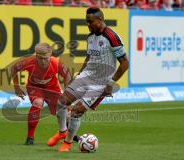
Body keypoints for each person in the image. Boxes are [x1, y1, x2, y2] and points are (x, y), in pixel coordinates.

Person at [46, 7, 129, 152]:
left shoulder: (112, 37)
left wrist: (110, 83)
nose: (88, 25)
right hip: (86, 76)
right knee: (61, 102)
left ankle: (67, 143)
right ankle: (62, 132)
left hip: (101, 83)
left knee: (77, 111)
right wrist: (79, 75)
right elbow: (89, 56)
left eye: (90, 22)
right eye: (87, 22)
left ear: (100, 19)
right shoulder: (90, 37)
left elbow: (125, 63)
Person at [11, 42, 72, 145]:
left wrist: (67, 93)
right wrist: (16, 87)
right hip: (35, 88)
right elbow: (13, 69)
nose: (43, 61)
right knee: (38, 103)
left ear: (50, 55)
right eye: (40, 58)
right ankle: (30, 137)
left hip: (52, 88)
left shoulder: (57, 63)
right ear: (36, 55)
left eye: (46, 58)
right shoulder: (28, 62)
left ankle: (68, 135)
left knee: (67, 113)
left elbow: (67, 76)